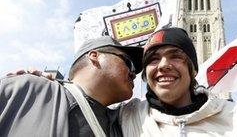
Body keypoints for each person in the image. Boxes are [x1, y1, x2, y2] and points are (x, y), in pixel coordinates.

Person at [119, 27, 237, 136]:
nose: (163, 65)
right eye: (153, 59)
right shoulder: (128, 116)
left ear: (193, 70)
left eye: (175, 56)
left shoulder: (235, 116)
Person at [0, 36, 143, 137]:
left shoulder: (125, 123)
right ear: (94, 56)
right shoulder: (27, 91)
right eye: (128, 63)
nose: (133, 73)